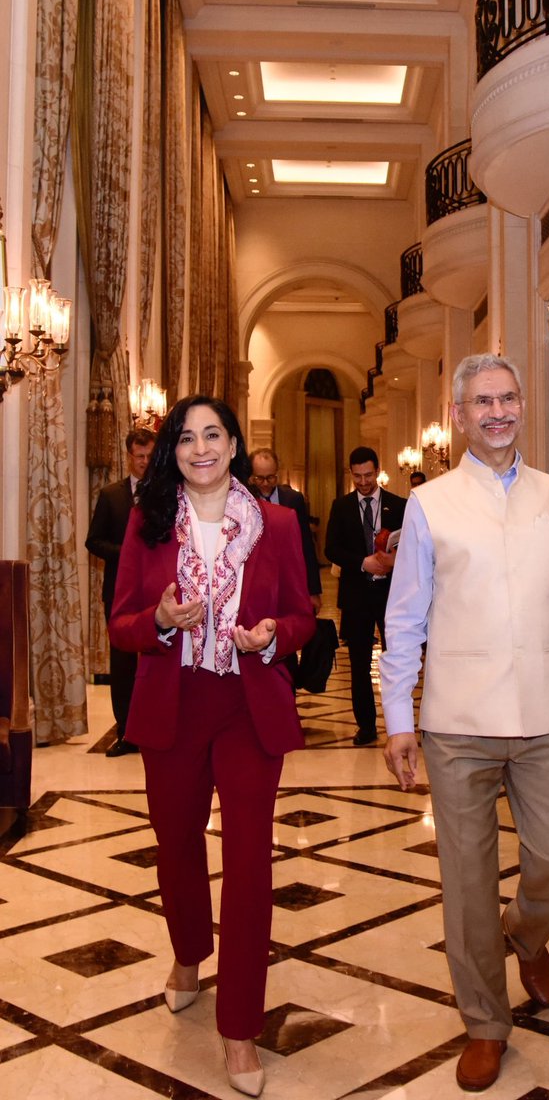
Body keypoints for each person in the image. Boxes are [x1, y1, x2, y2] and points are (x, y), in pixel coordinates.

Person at [380, 354, 549, 1093]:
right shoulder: (431, 503)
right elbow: (404, 617)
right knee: (466, 882)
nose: (497, 412)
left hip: (546, 713)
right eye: (483, 402)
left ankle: (526, 935)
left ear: (521, 407)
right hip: (458, 720)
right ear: (459, 415)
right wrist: (397, 717)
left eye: (507, 399)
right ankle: (484, 1022)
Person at [108, 396, 316, 1098]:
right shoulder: (148, 522)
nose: (201, 447)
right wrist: (159, 620)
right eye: (187, 437)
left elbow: (303, 614)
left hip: (247, 704)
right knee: (176, 842)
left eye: (213, 434)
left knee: (250, 861)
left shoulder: (279, 524)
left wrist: (273, 637)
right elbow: (121, 623)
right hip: (173, 701)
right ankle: (190, 953)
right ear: (174, 449)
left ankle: (240, 1029)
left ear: (233, 445)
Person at [325, 447, 406, 745]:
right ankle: (367, 727)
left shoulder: (399, 505)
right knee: (358, 665)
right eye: (357, 476)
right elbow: (331, 549)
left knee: (398, 661)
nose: (363, 482)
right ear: (351, 474)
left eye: (368, 475)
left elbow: (413, 546)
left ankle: (401, 725)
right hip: (357, 598)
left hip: (392, 596)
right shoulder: (341, 506)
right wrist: (363, 562)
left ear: (377, 471)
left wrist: (393, 560)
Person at [86, 427, 156, 756]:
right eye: (139, 457)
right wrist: (127, 553)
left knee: (159, 659)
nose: (144, 462)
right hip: (118, 592)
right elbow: (93, 541)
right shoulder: (111, 495)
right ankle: (126, 731)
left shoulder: (166, 494)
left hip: (158, 592)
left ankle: (158, 727)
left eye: (149, 456)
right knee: (123, 663)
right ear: (129, 456)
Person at [248, 448, 322, 613]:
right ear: (252, 476)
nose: (265, 483)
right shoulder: (245, 500)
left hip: (290, 581)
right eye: (259, 478)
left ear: (277, 474)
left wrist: (313, 591)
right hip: (257, 584)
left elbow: (306, 546)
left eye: (270, 477)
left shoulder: (293, 500)